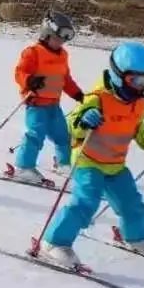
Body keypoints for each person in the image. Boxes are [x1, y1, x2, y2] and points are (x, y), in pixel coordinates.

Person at [37, 41, 144, 269]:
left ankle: (136, 237)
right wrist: (85, 119)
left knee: (132, 204)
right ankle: (53, 242)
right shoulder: (97, 98)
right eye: (136, 80)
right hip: (88, 161)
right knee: (85, 204)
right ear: (119, 75)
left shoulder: (138, 102)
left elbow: (137, 128)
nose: (142, 87)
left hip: (115, 165)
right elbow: (71, 125)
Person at [10, 11, 85, 184]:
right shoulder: (33, 52)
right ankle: (24, 167)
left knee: (62, 136)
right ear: (47, 34)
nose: (61, 43)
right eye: (57, 38)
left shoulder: (63, 55)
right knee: (35, 135)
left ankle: (63, 163)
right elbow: (19, 72)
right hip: (36, 103)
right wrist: (29, 80)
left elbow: (65, 79)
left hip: (53, 104)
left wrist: (78, 94)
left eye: (64, 40)